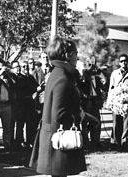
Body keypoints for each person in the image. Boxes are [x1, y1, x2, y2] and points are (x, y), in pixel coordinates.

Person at [29, 36, 86, 177]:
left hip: (53, 136)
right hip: (58, 139)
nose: (77, 58)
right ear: (68, 55)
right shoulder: (63, 78)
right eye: (76, 54)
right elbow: (59, 114)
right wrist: (79, 116)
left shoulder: (57, 74)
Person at [107, 54, 128, 149]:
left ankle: (124, 142)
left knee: (126, 123)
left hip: (126, 100)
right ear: (119, 63)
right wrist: (110, 101)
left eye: (125, 61)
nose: (123, 63)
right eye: (121, 61)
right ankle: (115, 143)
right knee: (116, 123)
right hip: (116, 101)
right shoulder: (115, 73)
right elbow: (111, 88)